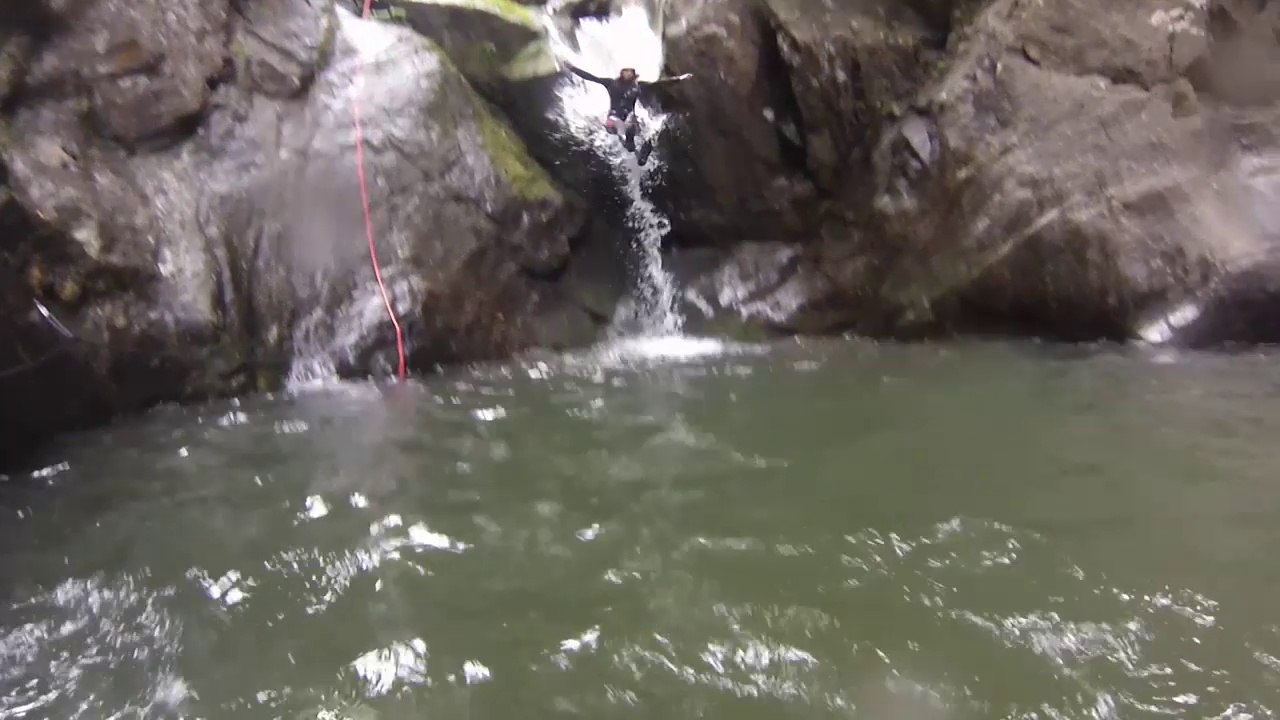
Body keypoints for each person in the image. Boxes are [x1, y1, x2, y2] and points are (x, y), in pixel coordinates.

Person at [562, 61, 691, 161]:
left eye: (630, 72)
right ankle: (628, 142)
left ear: (634, 75)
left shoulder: (638, 87)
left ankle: (641, 155)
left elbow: (659, 84)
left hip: (629, 121)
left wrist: (680, 78)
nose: (627, 73)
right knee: (621, 124)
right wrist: (572, 68)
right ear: (621, 73)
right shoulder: (611, 83)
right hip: (613, 121)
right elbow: (590, 77)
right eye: (625, 71)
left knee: (649, 133)